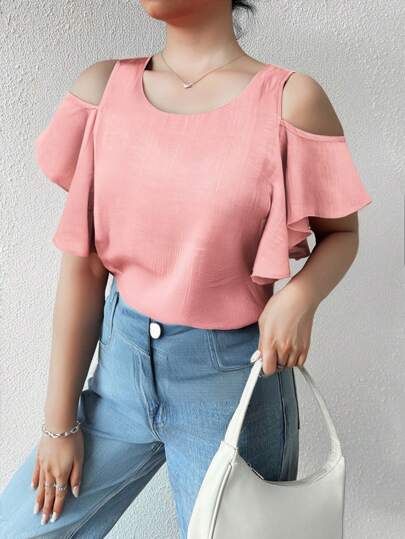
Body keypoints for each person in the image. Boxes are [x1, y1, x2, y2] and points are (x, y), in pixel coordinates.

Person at [0, 1, 372, 537]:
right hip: (120, 372)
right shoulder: (103, 92)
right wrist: (58, 427)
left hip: (231, 384)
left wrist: (299, 296)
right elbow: (84, 265)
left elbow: (341, 234)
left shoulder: (290, 101)